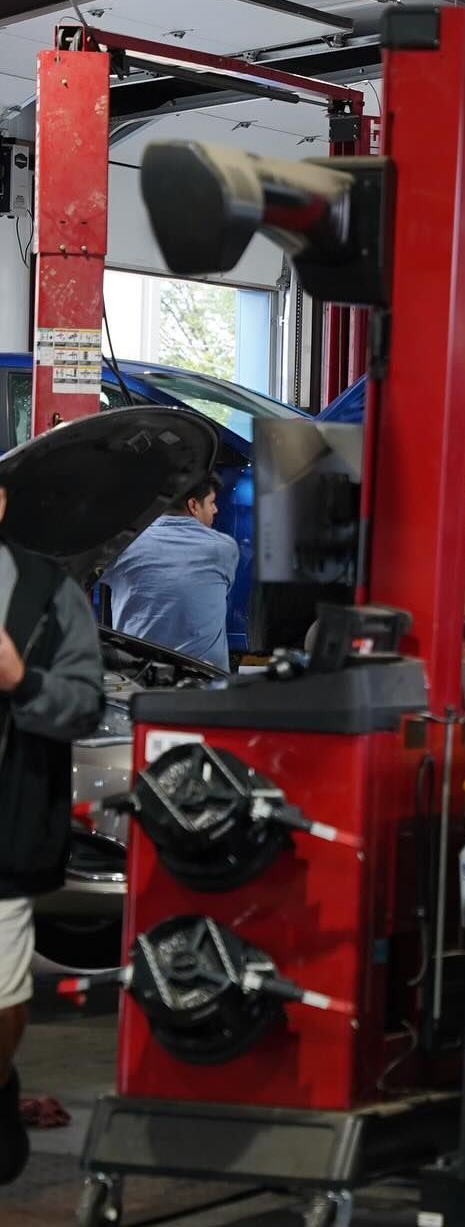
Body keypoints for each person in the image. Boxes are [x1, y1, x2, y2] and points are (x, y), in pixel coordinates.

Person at [0, 482, 105, 1185]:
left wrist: (20, 679)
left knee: (2, 985)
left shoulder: (45, 589)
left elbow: (85, 704)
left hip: (3, 830)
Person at [101, 474, 238, 670]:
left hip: (139, 677)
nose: (215, 509)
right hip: (205, 680)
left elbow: (82, 573)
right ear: (193, 506)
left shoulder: (122, 546)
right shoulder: (224, 549)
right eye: (211, 502)